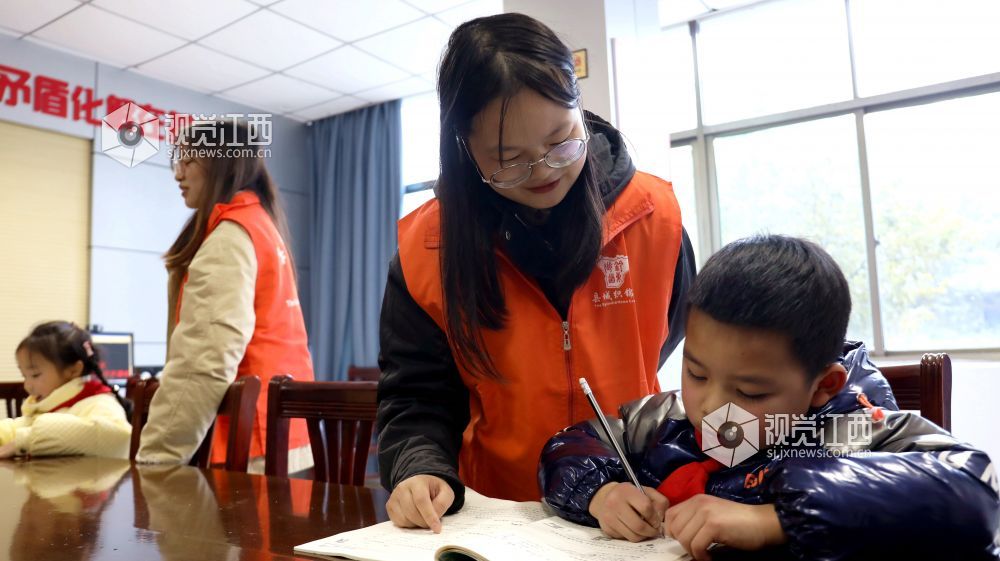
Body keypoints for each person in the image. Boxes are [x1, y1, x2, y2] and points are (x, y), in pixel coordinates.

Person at [377, 13, 695, 532]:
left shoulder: (655, 217)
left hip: (633, 507)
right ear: (465, 150)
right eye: (508, 160)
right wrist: (419, 469)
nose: (544, 170)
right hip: (496, 517)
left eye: (561, 141)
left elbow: (667, 335)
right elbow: (417, 397)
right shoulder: (427, 251)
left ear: (579, 107)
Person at [539, 235, 1000, 561]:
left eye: (750, 391)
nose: (709, 406)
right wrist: (600, 492)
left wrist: (775, 521)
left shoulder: (855, 428)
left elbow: (975, 492)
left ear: (823, 386)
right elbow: (576, 442)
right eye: (696, 372)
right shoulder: (670, 418)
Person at [137, 119, 313, 472]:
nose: (178, 173)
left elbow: (204, 359)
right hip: (281, 430)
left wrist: (156, 457)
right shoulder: (261, 224)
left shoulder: (231, 237)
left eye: (188, 161)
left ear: (221, 163)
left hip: (251, 439)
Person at [0, 321, 131, 459]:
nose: (27, 386)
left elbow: (118, 434)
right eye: (24, 376)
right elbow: (19, 427)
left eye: (35, 375)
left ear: (73, 370)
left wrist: (26, 440)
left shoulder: (98, 403)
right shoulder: (50, 405)